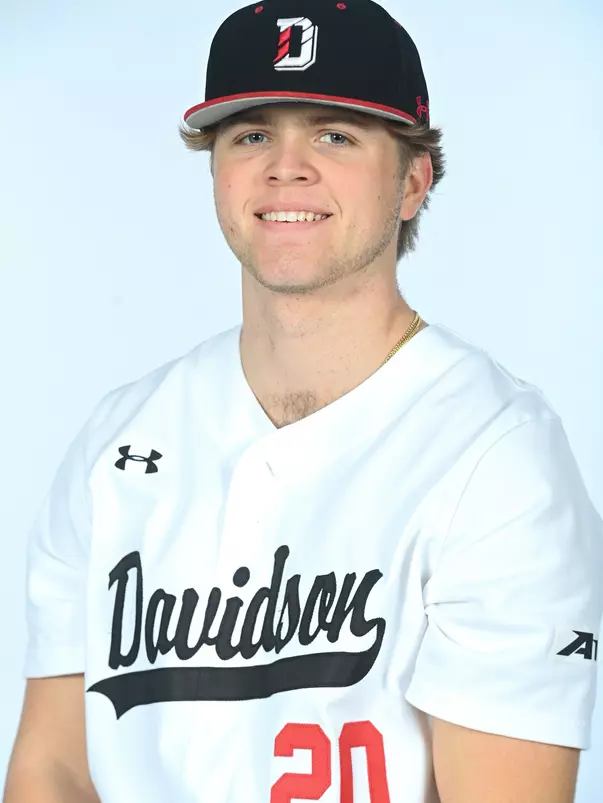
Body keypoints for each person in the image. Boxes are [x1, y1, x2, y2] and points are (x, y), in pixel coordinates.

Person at [4, 0, 603, 801]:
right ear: (215, 168)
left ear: (412, 182)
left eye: (335, 134)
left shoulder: (495, 454)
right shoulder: (118, 439)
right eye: (252, 134)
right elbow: (54, 768)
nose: (286, 167)